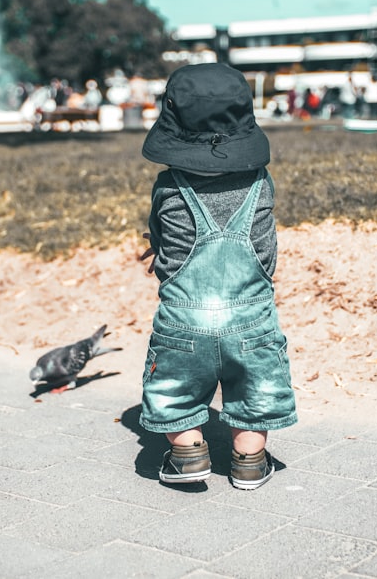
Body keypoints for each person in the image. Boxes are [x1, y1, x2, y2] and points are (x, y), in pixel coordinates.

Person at [139, 63, 297, 490]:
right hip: (252, 318)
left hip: (183, 321)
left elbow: (163, 244)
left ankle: (188, 453)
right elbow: (267, 253)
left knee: (175, 392)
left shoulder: (168, 187)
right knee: (256, 393)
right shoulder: (261, 184)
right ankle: (249, 460)